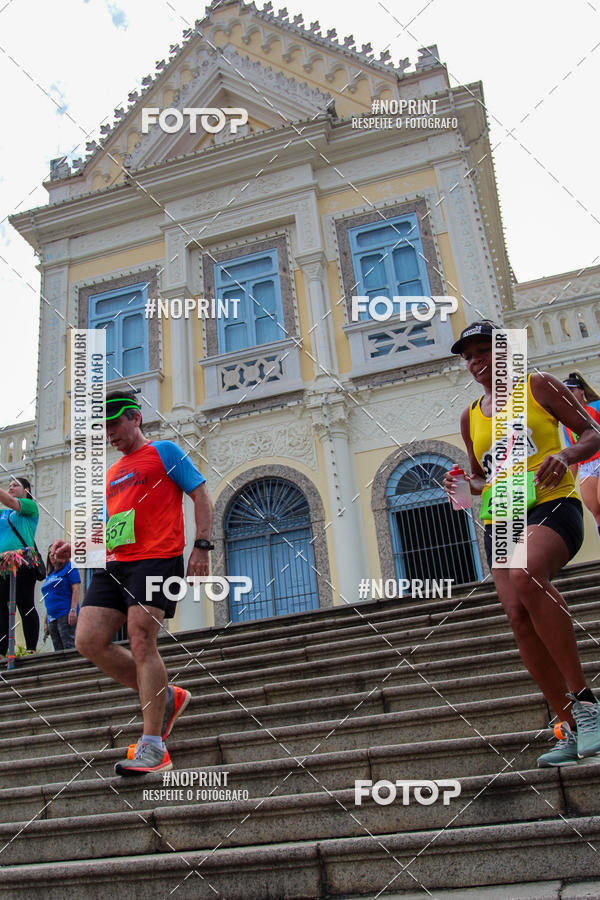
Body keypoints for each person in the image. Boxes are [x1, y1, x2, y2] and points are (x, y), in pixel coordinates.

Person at [444, 321, 600, 767]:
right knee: (518, 616)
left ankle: (587, 704)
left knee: (527, 572)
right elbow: (481, 475)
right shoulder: (470, 415)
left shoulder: (539, 385)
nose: (477, 362)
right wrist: (462, 483)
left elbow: (592, 433)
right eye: (469, 356)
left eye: (485, 351)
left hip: (552, 502)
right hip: (502, 514)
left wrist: (565, 454)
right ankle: (569, 726)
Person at [51, 390, 213, 775]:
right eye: (104, 430)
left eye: (114, 426)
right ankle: (166, 699)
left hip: (158, 557)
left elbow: (200, 494)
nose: (110, 435)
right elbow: (111, 528)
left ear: (135, 419)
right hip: (115, 563)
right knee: (88, 640)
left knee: (141, 637)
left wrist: (202, 546)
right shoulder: (112, 474)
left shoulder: (165, 452)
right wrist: (75, 547)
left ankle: (154, 746)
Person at [0, 477, 40, 661]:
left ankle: (31, 649)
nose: (11, 487)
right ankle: (2, 651)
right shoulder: (3, 515)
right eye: (9, 486)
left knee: (26, 604)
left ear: (27, 490)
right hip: (2, 565)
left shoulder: (29, 507)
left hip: (23, 562)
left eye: (15, 485)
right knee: (1, 607)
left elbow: (9, 501)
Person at [562, 372, 600, 537]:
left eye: (571, 391)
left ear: (581, 391)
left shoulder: (597, 406)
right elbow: (573, 455)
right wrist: (568, 485)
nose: (568, 395)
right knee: (596, 511)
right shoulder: (567, 421)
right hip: (586, 466)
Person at [41, 547, 80, 651]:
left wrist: (73, 610)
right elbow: (49, 597)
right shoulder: (50, 575)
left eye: (55, 552)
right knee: (58, 650)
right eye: (50, 553)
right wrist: (46, 621)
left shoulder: (69, 567)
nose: (52, 555)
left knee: (69, 646)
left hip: (65, 613)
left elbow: (76, 589)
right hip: (52, 617)